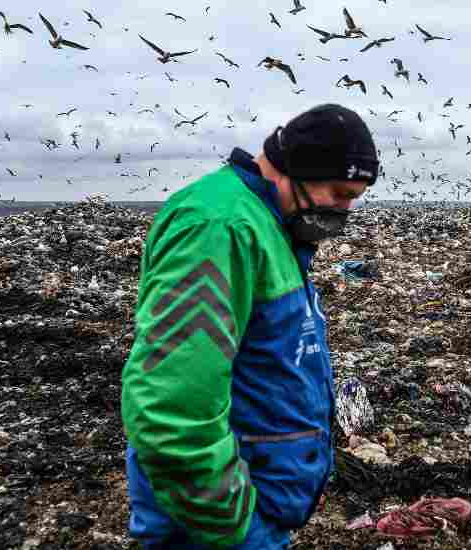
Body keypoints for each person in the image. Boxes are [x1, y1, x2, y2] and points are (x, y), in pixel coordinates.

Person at [121, 103, 379, 549]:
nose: (346, 209)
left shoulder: (271, 227)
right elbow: (172, 406)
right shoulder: (219, 228)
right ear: (293, 171)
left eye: (355, 196)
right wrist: (236, 526)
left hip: (254, 504)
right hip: (215, 528)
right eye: (338, 193)